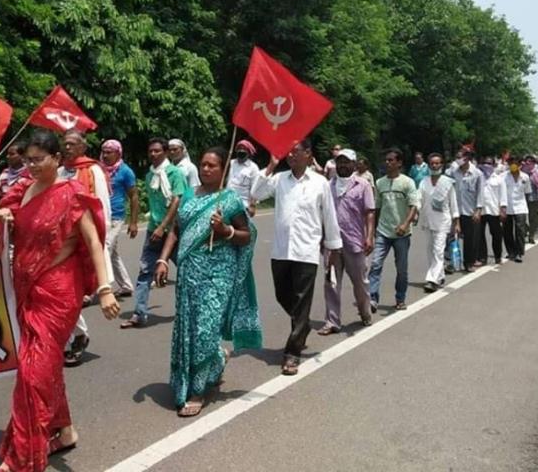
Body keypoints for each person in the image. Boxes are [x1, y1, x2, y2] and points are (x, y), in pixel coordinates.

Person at [0, 130, 120, 471]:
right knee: (44, 367)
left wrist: (106, 288)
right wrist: (6, 215)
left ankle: (23, 455)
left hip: (58, 294)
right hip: (26, 291)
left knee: (32, 373)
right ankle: (64, 432)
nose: (32, 166)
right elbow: (5, 212)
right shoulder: (22, 190)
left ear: (56, 159)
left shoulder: (72, 193)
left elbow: (94, 242)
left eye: (39, 160)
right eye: (28, 160)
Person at [154, 147, 261, 417]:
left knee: (205, 328)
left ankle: (198, 390)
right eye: (203, 164)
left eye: (213, 165)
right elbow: (175, 232)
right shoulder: (189, 197)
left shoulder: (231, 201)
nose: (206, 169)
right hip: (190, 273)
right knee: (189, 328)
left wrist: (226, 231)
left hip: (219, 274)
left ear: (223, 169)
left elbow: (247, 235)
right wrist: (164, 260)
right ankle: (216, 358)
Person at [250, 139, 342, 376]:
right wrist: (270, 166)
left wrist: (332, 249)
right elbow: (256, 193)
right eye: (288, 151)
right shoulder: (280, 179)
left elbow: (329, 217)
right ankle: (303, 325)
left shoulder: (320, 183)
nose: (290, 155)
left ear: (308, 154)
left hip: (306, 251)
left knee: (302, 299)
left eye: (296, 151)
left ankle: (292, 353)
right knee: (282, 294)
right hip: (281, 250)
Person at [122, 138, 189, 328]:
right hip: (153, 229)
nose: (153, 154)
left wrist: (163, 227)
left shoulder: (175, 173)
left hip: (173, 231)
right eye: (150, 151)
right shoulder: (150, 175)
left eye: (157, 151)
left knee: (185, 271)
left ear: (166, 152)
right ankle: (139, 313)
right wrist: (154, 225)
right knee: (145, 270)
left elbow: (177, 201)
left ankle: (190, 309)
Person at [58, 130, 111, 366]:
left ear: (82, 147)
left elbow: (102, 207)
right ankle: (74, 335)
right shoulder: (59, 171)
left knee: (73, 293)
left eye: (72, 144)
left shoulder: (93, 170)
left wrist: (101, 240)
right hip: (62, 242)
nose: (68, 148)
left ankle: (76, 335)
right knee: (64, 293)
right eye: (65, 144)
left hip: (86, 240)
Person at [318, 149, 375, 333]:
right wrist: (321, 238)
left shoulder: (363, 185)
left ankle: (365, 312)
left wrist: (369, 236)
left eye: (346, 162)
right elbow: (321, 214)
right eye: (339, 162)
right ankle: (332, 322)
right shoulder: (327, 185)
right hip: (332, 243)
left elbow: (369, 213)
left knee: (360, 282)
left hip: (355, 241)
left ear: (354, 164)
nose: (342, 165)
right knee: (331, 283)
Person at [368, 148, 419, 312]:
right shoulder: (380, 182)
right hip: (383, 231)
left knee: (401, 269)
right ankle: (372, 298)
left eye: (391, 160)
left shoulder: (407, 182)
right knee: (375, 264)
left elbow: (413, 206)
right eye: (386, 160)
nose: (387, 163)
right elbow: (376, 208)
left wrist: (405, 224)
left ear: (399, 163)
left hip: (401, 233)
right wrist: (372, 231)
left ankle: (400, 298)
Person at [99, 140, 138, 298]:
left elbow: (134, 196)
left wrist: (133, 222)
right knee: (113, 253)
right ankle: (126, 285)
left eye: (109, 152)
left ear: (118, 153)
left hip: (116, 216)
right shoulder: (99, 169)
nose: (106, 155)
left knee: (105, 250)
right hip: (101, 215)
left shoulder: (125, 171)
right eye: (104, 151)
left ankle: (101, 287)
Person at [420, 153, 460, 292]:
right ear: (429, 165)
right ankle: (440, 275)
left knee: (438, 250)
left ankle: (431, 280)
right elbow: (419, 200)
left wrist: (457, 222)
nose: (435, 165)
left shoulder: (447, 182)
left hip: (443, 221)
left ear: (442, 165)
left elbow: (453, 204)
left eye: (437, 163)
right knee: (430, 251)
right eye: (432, 163)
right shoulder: (424, 181)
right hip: (427, 221)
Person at [445, 150, 484, 270]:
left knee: (470, 239)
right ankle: (451, 263)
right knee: (450, 237)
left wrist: (478, 210)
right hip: (454, 210)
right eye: (456, 157)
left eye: (459, 157)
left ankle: (469, 263)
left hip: (470, 210)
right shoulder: (452, 172)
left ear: (467, 158)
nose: (457, 160)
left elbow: (480, 193)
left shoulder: (477, 173)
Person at [478, 156, 508, 265]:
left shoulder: (499, 179)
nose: (487, 165)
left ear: (494, 165)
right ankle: (482, 257)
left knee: (496, 234)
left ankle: (498, 256)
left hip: (494, 210)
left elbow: (503, 195)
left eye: (489, 163)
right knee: (479, 235)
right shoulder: (478, 177)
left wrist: (503, 210)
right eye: (485, 163)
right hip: (480, 210)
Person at [503, 157, 531, 262]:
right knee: (507, 231)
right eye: (511, 164)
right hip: (507, 206)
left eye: (515, 163)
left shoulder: (525, 177)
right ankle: (511, 251)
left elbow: (527, 193)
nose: (513, 166)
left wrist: (526, 206)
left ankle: (519, 252)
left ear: (520, 165)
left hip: (521, 206)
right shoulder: (504, 176)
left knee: (520, 230)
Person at [228, 139, 260, 216]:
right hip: (227, 203)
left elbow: (255, 188)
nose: (241, 150)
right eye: (239, 148)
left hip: (243, 206)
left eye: (244, 149)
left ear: (249, 152)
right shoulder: (230, 163)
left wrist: (252, 206)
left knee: (240, 228)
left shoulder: (253, 168)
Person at [521, 156, 538, 244]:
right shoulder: (522, 172)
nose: (527, 163)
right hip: (523, 198)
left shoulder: (537, 173)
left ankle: (531, 236)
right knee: (521, 218)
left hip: (533, 199)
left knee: (532, 218)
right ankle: (525, 231)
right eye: (526, 161)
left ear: (534, 163)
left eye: (530, 162)